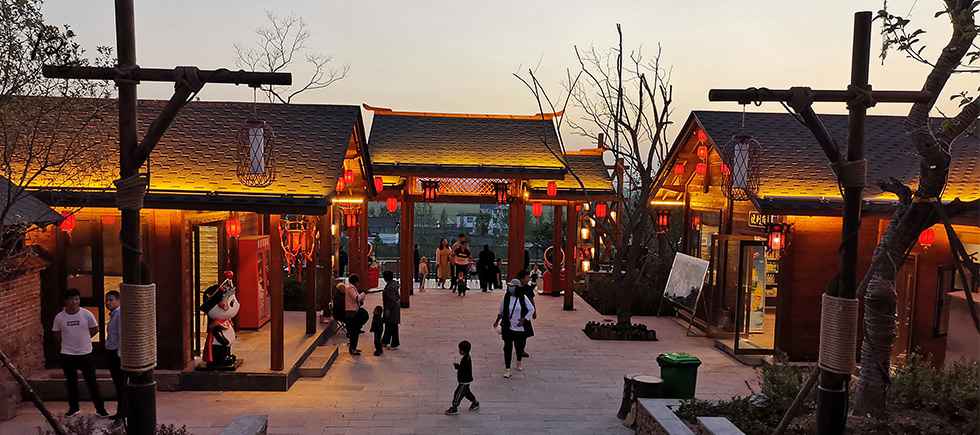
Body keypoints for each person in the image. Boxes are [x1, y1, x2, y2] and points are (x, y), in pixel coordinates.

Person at [53, 288, 109, 417]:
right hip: (67, 354)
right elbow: (56, 334)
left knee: (92, 383)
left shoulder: (86, 314)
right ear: (66, 301)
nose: (74, 302)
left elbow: (94, 329)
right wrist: (67, 343)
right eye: (71, 299)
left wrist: (84, 340)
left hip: (85, 353)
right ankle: (74, 408)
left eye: (77, 299)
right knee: (71, 383)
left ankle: (100, 409)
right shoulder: (59, 317)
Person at [493, 273, 535, 378]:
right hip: (508, 326)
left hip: (519, 327)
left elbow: (531, 309)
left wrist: (524, 319)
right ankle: (507, 369)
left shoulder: (523, 298)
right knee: (507, 347)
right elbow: (501, 311)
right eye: (510, 286)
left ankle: (519, 361)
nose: (510, 288)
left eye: (513, 286)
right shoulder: (506, 297)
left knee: (519, 346)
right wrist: (497, 321)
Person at [104, 291, 126, 422]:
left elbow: (122, 335)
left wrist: (120, 354)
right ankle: (121, 411)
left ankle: (122, 413)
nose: (108, 303)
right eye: (106, 300)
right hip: (112, 352)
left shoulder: (119, 315)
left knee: (121, 384)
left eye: (111, 300)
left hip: (117, 354)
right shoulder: (113, 315)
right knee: (118, 385)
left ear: (118, 300)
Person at [445, 340, 479, 415]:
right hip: (465, 380)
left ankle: (454, 407)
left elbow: (464, 369)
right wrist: (459, 367)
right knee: (466, 393)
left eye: (460, 349)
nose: (459, 351)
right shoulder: (467, 357)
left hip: (464, 381)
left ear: (462, 351)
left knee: (458, 393)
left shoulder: (465, 359)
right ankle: (475, 402)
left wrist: (458, 367)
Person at [344, 274, 366, 355]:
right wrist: (363, 293)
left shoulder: (352, 288)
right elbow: (357, 298)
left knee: (355, 331)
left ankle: (354, 348)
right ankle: (352, 349)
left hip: (353, 311)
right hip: (351, 312)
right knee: (354, 332)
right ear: (355, 281)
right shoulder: (350, 288)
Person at [381, 270, 401, 349]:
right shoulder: (393, 284)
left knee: (390, 325)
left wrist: (388, 309)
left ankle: (388, 342)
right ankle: (389, 342)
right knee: (392, 326)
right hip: (395, 308)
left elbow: (391, 300)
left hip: (391, 308)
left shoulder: (389, 287)